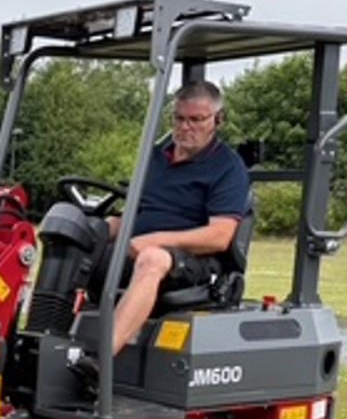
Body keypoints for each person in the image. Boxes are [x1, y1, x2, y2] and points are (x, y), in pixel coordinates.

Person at [86, 80, 249, 376]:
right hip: (141, 245)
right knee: (76, 232)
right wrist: (99, 228)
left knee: (153, 259)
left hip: (195, 262)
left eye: (196, 120)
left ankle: (99, 361)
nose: (186, 127)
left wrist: (158, 241)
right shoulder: (156, 159)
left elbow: (220, 236)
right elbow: (137, 213)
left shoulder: (228, 168)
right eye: (180, 118)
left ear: (218, 121)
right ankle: (42, 338)